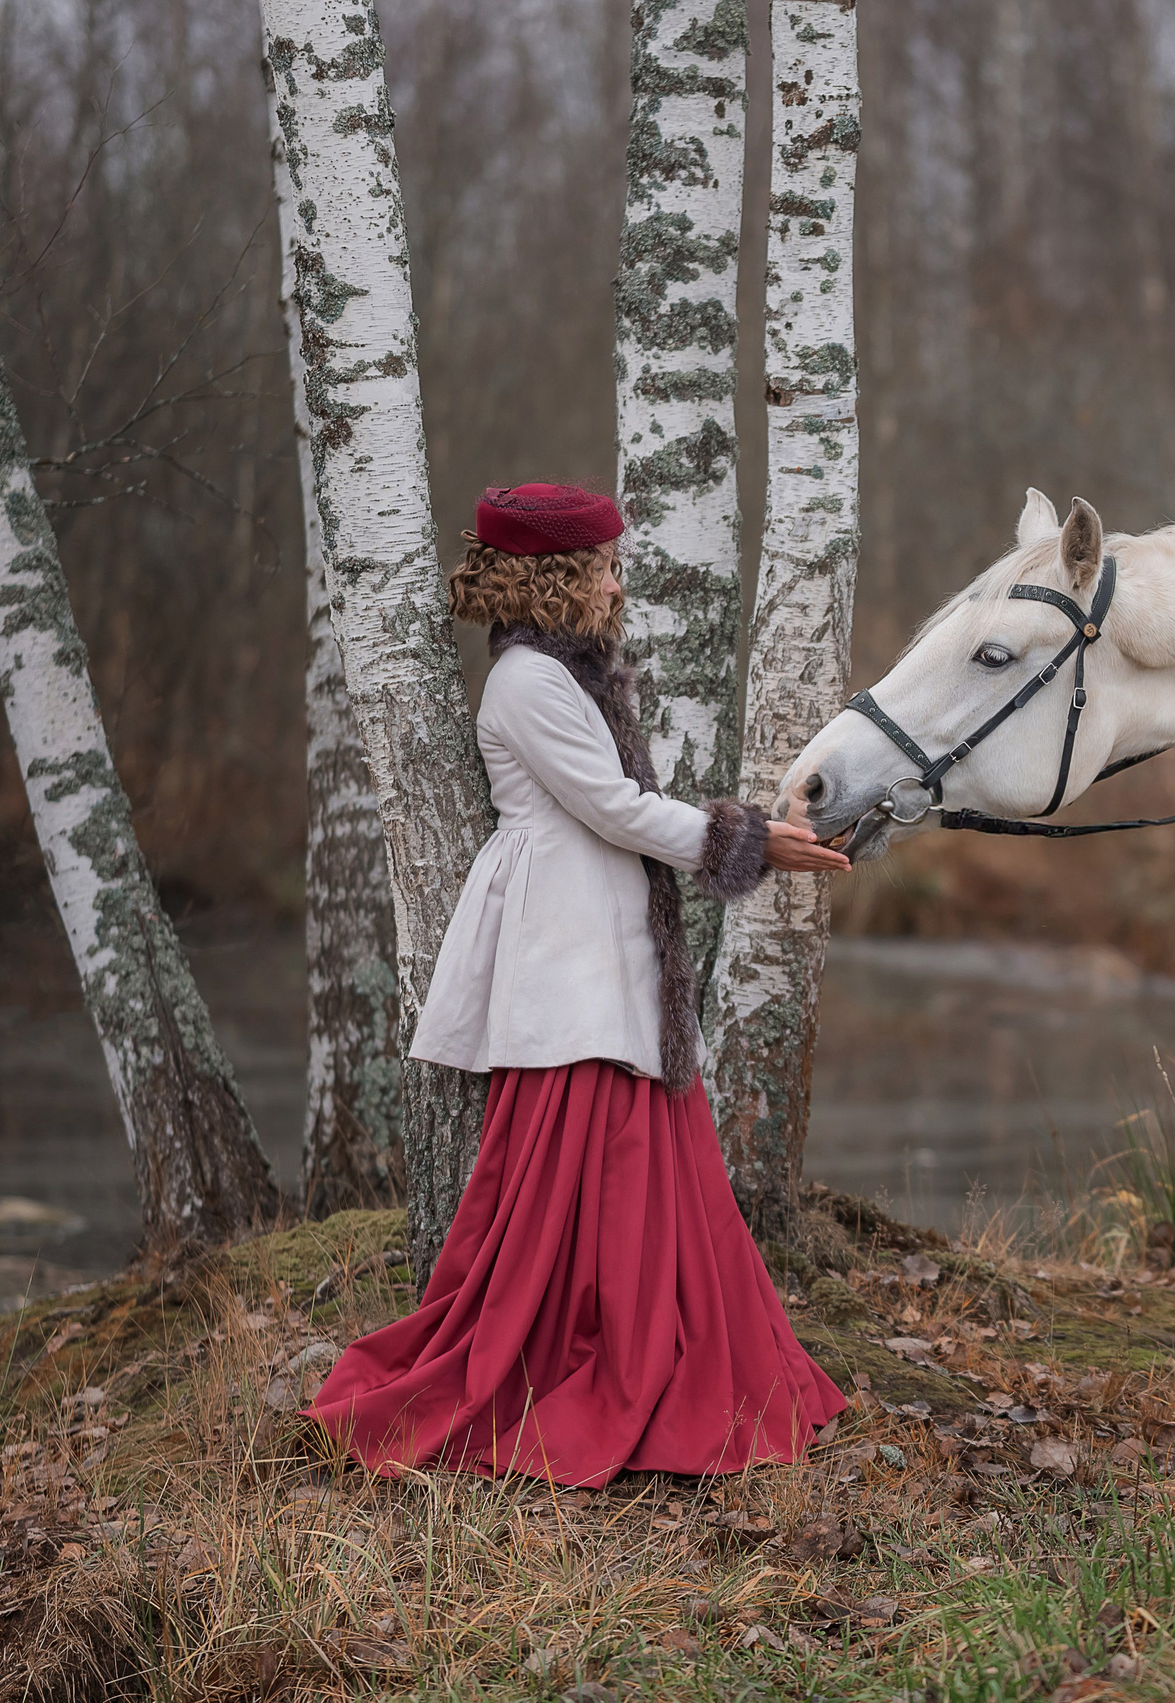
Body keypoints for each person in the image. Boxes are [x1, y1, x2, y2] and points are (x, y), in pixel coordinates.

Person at [306, 482, 852, 1487]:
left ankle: (650, 1350)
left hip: (599, 932)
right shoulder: (529, 682)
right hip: (565, 943)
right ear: (555, 577)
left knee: (635, 1162)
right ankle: (586, 1368)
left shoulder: (566, 674)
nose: (616, 583)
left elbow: (617, 808)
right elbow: (612, 806)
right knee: (576, 1169)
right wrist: (747, 840)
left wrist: (749, 836)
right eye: (602, 567)